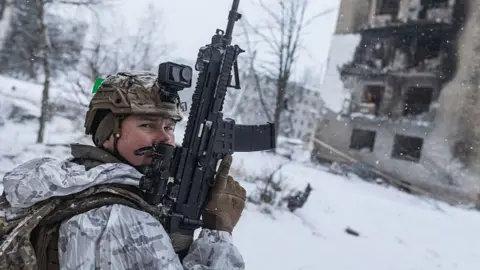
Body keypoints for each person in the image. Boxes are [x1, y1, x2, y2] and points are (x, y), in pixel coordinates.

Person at [0, 71, 247, 269]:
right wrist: (218, 234)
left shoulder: (73, 184)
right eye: (148, 125)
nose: (166, 139)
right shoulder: (117, 219)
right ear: (108, 132)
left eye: (170, 127)